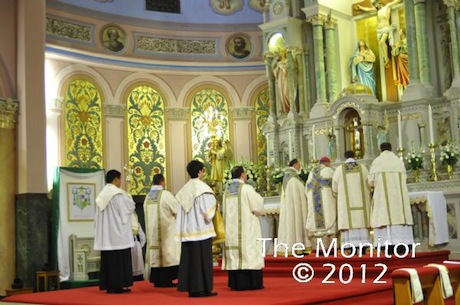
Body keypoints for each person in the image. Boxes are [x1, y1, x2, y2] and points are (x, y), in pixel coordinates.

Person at [175, 160, 218, 298]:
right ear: (199, 172)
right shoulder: (203, 189)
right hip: (201, 231)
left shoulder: (184, 190)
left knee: (191, 262)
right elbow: (208, 213)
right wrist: (215, 208)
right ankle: (204, 289)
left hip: (188, 232)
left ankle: (193, 289)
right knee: (203, 261)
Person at [222, 166, 264, 291]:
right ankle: (251, 283)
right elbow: (257, 206)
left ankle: (237, 283)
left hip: (231, 231)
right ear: (242, 174)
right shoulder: (246, 188)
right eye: (245, 173)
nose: (246, 175)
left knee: (236, 254)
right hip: (247, 229)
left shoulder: (227, 191)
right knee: (248, 252)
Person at [368, 142, 414, 254]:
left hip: (383, 199)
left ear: (380, 150)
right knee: (399, 218)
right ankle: (402, 245)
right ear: (391, 149)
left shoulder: (377, 162)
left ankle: (386, 247)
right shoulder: (398, 161)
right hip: (398, 198)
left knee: (385, 219)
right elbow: (405, 178)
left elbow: (371, 181)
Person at [94, 169, 135, 294]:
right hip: (118, 234)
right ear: (116, 179)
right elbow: (127, 210)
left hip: (106, 235)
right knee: (119, 260)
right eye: (120, 180)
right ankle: (118, 286)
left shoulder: (101, 196)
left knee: (109, 260)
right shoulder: (118, 195)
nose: (120, 182)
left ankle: (110, 285)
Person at [144, 173, 181, 287]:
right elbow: (177, 211)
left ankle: (157, 279)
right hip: (166, 233)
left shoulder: (148, 197)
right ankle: (166, 279)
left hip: (153, 233)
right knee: (168, 255)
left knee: (156, 256)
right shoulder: (166, 195)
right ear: (162, 182)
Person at [332, 151, 371, 255]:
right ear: (354, 157)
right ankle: (362, 248)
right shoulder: (363, 168)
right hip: (361, 206)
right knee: (361, 222)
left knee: (349, 224)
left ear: (345, 158)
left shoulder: (339, 170)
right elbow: (370, 184)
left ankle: (351, 249)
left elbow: (334, 188)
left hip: (346, 207)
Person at [277, 159, 310, 254]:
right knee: (295, 223)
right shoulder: (294, 179)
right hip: (295, 208)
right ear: (295, 164)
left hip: (289, 208)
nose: (300, 166)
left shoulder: (287, 177)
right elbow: (302, 191)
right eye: (299, 164)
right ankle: (297, 246)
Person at [355, 0, 402, 67]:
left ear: (379, 3)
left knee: (382, 41)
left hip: (385, 28)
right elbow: (368, 9)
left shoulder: (387, 7)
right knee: (380, 43)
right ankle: (385, 58)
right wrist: (360, 7)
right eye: (375, 5)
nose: (376, 6)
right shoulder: (377, 11)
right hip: (379, 30)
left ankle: (387, 59)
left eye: (376, 4)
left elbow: (395, 2)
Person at [305, 156, 336, 253]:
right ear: (327, 163)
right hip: (327, 206)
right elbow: (335, 189)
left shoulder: (311, 173)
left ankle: (318, 249)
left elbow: (306, 190)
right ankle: (330, 248)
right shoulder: (329, 171)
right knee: (328, 219)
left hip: (315, 209)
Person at [272, 48, 290, 114]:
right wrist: (277, 69)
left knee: (286, 92)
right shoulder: (278, 63)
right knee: (281, 93)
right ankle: (284, 108)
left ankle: (290, 107)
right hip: (280, 78)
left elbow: (292, 69)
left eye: (282, 51)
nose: (281, 53)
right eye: (280, 52)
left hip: (286, 78)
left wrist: (284, 68)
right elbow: (274, 71)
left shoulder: (288, 60)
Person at [131, 213, 146, 281]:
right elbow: (143, 237)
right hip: (135, 245)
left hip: (133, 245)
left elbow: (142, 237)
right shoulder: (135, 223)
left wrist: (139, 246)